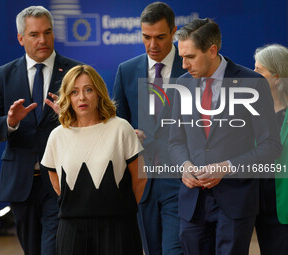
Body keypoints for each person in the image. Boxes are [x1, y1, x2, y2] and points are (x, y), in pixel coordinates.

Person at [168, 18, 282, 255]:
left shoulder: (253, 82)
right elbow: (175, 141)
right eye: (181, 57)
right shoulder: (182, 85)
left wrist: (227, 167)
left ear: (212, 50)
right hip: (193, 203)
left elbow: (270, 146)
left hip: (236, 201)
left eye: (190, 57)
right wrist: (184, 166)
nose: (184, 64)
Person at [0, 6, 81, 255]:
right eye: (34, 34)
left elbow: (93, 123)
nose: (43, 40)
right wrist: (10, 122)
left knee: (52, 248)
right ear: (21, 38)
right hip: (21, 183)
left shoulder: (75, 73)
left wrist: (69, 119)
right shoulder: (3, 75)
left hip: (60, 181)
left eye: (47, 32)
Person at [40, 64, 147, 255]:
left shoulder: (121, 128)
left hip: (119, 227)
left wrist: (121, 209)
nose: (82, 97)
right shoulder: (57, 135)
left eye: (88, 90)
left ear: (99, 93)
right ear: (68, 97)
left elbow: (140, 178)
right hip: (72, 230)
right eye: (74, 92)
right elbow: (56, 183)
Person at [113, 2, 185, 254]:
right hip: (140, 179)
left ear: (174, 32)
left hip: (179, 180)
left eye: (160, 37)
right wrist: (128, 134)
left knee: (173, 250)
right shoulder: (126, 70)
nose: (152, 45)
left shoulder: (190, 67)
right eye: (146, 37)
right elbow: (117, 123)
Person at [254, 44, 288, 255]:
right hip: (259, 206)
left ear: (277, 77)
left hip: (283, 206)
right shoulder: (248, 113)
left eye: (259, 71)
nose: (252, 75)